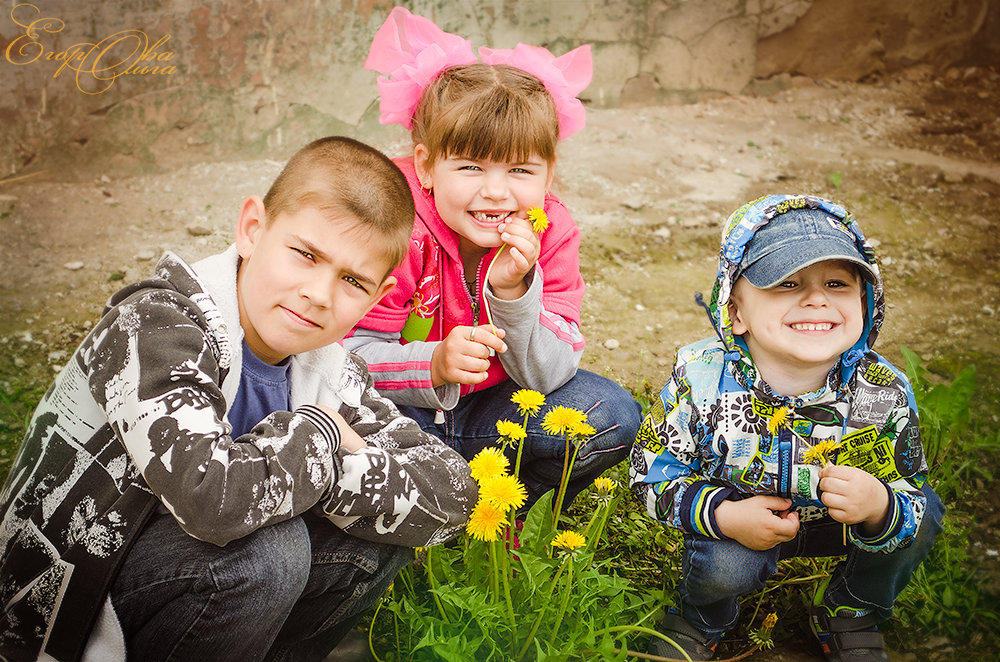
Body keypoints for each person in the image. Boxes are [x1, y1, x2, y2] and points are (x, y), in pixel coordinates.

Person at [0, 136, 478, 662]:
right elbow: (212, 497)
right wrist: (321, 436)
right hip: (66, 607)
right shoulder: (156, 325)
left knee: (372, 541)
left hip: (180, 580)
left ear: (380, 296)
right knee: (271, 555)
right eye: (305, 254)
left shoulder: (330, 369)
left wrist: (321, 471)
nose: (318, 294)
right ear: (253, 229)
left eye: (351, 280)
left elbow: (454, 494)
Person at [345, 7, 641, 509]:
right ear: (426, 166)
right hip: (402, 414)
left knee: (610, 412)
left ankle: (498, 509)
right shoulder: (394, 223)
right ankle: (421, 506)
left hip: (492, 412)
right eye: (470, 166)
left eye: (522, 170)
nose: (497, 192)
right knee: (342, 421)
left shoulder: (552, 232)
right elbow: (346, 362)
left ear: (549, 174)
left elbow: (547, 378)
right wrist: (433, 363)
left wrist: (511, 291)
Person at [629, 195, 945, 662]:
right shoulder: (699, 378)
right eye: (787, 282)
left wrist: (878, 506)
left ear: (865, 304)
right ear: (734, 312)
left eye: (837, 283)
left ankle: (853, 607)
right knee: (724, 565)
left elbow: (910, 491)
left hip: (842, 523)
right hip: (740, 522)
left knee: (924, 517)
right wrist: (723, 516)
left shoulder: (883, 392)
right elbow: (648, 474)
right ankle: (703, 615)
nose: (816, 298)